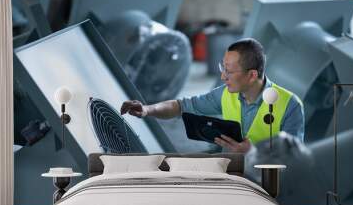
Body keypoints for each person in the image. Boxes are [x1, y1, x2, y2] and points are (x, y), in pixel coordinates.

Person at [120, 38, 304, 153]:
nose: (223, 76)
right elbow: (180, 106)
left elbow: (295, 162)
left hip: (265, 184)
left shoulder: (290, 105)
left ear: (252, 75)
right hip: (229, 172)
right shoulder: (225, 95)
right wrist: (147, 109)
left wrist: (252, 154)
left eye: (229, 71)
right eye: (222, 68)